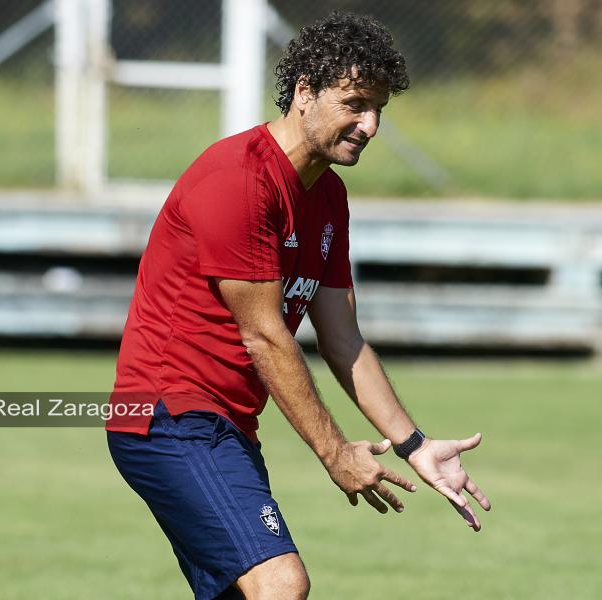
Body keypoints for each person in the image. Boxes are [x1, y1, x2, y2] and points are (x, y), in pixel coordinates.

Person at [106, 11, 490, 600]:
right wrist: (335, 453)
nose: (370, 125)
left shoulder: (328, 195)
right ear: (304, 92)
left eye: (379, 109)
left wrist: (415, 445)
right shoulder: (238, 180)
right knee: (281, 584)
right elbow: (265, 337)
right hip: (169, 418)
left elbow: (342, 337)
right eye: (355, 103)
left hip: (227, 428)